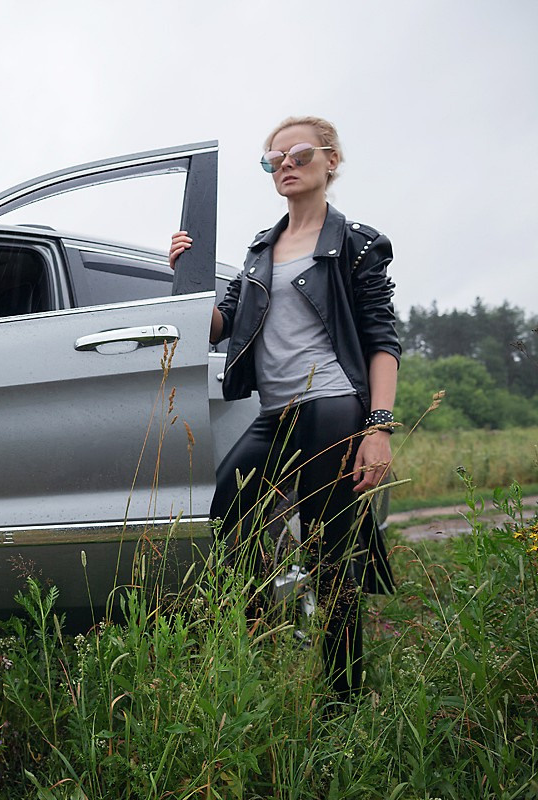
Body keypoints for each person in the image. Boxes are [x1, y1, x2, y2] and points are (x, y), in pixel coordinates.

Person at [169, 115, 398, 701]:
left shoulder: (357, 243)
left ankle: (342, 695)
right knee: (228, 514)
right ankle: (265, 639)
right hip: (275, 413)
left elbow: (380, 340)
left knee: (329, 551)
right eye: (273, 159)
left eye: (298, 154)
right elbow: (222, 326)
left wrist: (378, 425)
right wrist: (186, 275)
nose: (285, 165)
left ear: (331, 161)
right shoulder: (259, 250)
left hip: (332, 409)